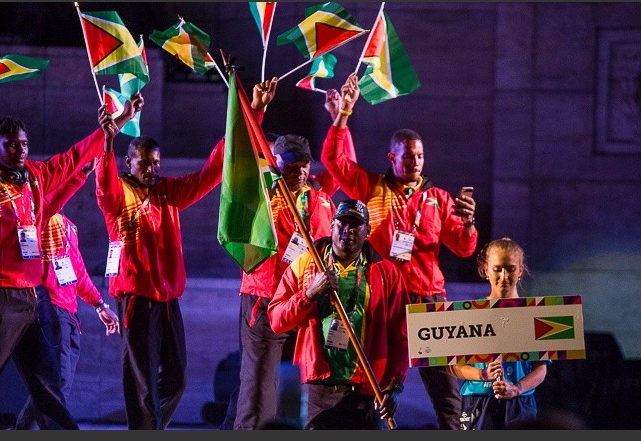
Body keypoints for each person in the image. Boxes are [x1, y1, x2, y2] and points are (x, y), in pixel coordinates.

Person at [0, 91, 141, 429]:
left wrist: (118, 122)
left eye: (23, 144)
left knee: (48, 383)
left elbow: (75, 156)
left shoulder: (34, 177)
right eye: (11, 145)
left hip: (31, 297)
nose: (20, 150)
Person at [94, 78, 278, 430]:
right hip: (135, 299)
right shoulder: (120, 196)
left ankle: (150, 428)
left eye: (156, 162)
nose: (151, 169)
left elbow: (212, 171)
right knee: (142, 382)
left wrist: (254, 112)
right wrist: (107, 141)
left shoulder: (167, 192)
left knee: (176, 381)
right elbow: (104, 189)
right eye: (144, 163)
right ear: (129, 163)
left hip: (167, 301)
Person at [320, 72, 479, 430]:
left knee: (446, 392)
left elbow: (463, 248)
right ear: (392, 157)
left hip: (429, 299)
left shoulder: (438, 199)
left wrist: (468, 224)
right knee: (374, 382)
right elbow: (334, 161)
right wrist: (342, 117)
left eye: (420, 157)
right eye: (408, 157)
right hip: (384, 299)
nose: (415, 163)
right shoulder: (373, 188)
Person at [219, 88, 357, 430]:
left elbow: (344, 166)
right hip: (266, 298)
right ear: (276, 164)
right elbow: (239, 155)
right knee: (258, 385)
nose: (298, 172)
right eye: (290, 166)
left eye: (304, 166)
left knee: (322, 377)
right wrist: (255, 111)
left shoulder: (319, 196)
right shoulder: (261, 197)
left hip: (311, 297)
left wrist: (341, 119)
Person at [268, 199, 410, 430]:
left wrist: (394, 385)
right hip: (315, 387)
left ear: (367, 231)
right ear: (331, 225)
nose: (348, 231)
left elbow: (401, 336)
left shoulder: (387, 273)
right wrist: (309, 294)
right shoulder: (306, 264)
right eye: (342, 224)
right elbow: (276, 320)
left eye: (356, 225)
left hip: (366, 389)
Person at [12, 194, 121, 428]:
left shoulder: (69, 227)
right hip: (48, 309)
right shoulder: (35, 222)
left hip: (70, 314)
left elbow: (78, 273)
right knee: (56, 379)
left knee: (60, 382)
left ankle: (22, 429)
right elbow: (23, 263)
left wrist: (100, 305)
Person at [447, 237, 550, 430]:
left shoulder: (534, 315)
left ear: (520, 270)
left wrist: (516, 389)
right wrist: (482, 374)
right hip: (477, 403)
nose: (503, 276)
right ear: (485, 269)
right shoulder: (469, 314)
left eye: (510, 268)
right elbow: (453, 366)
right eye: (497, 269)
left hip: (520, 404)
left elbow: (541, 369)